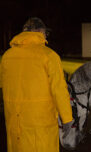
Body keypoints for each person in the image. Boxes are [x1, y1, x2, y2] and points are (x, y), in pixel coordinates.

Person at [0, 17, 73, 152]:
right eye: (46, 33)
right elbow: (59, 90)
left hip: (14, 125)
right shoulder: (49, 56)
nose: (46, 36)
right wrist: (67, 118)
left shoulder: (6, 57)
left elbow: (4, 86)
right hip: (40, 125)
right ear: (40, 32)